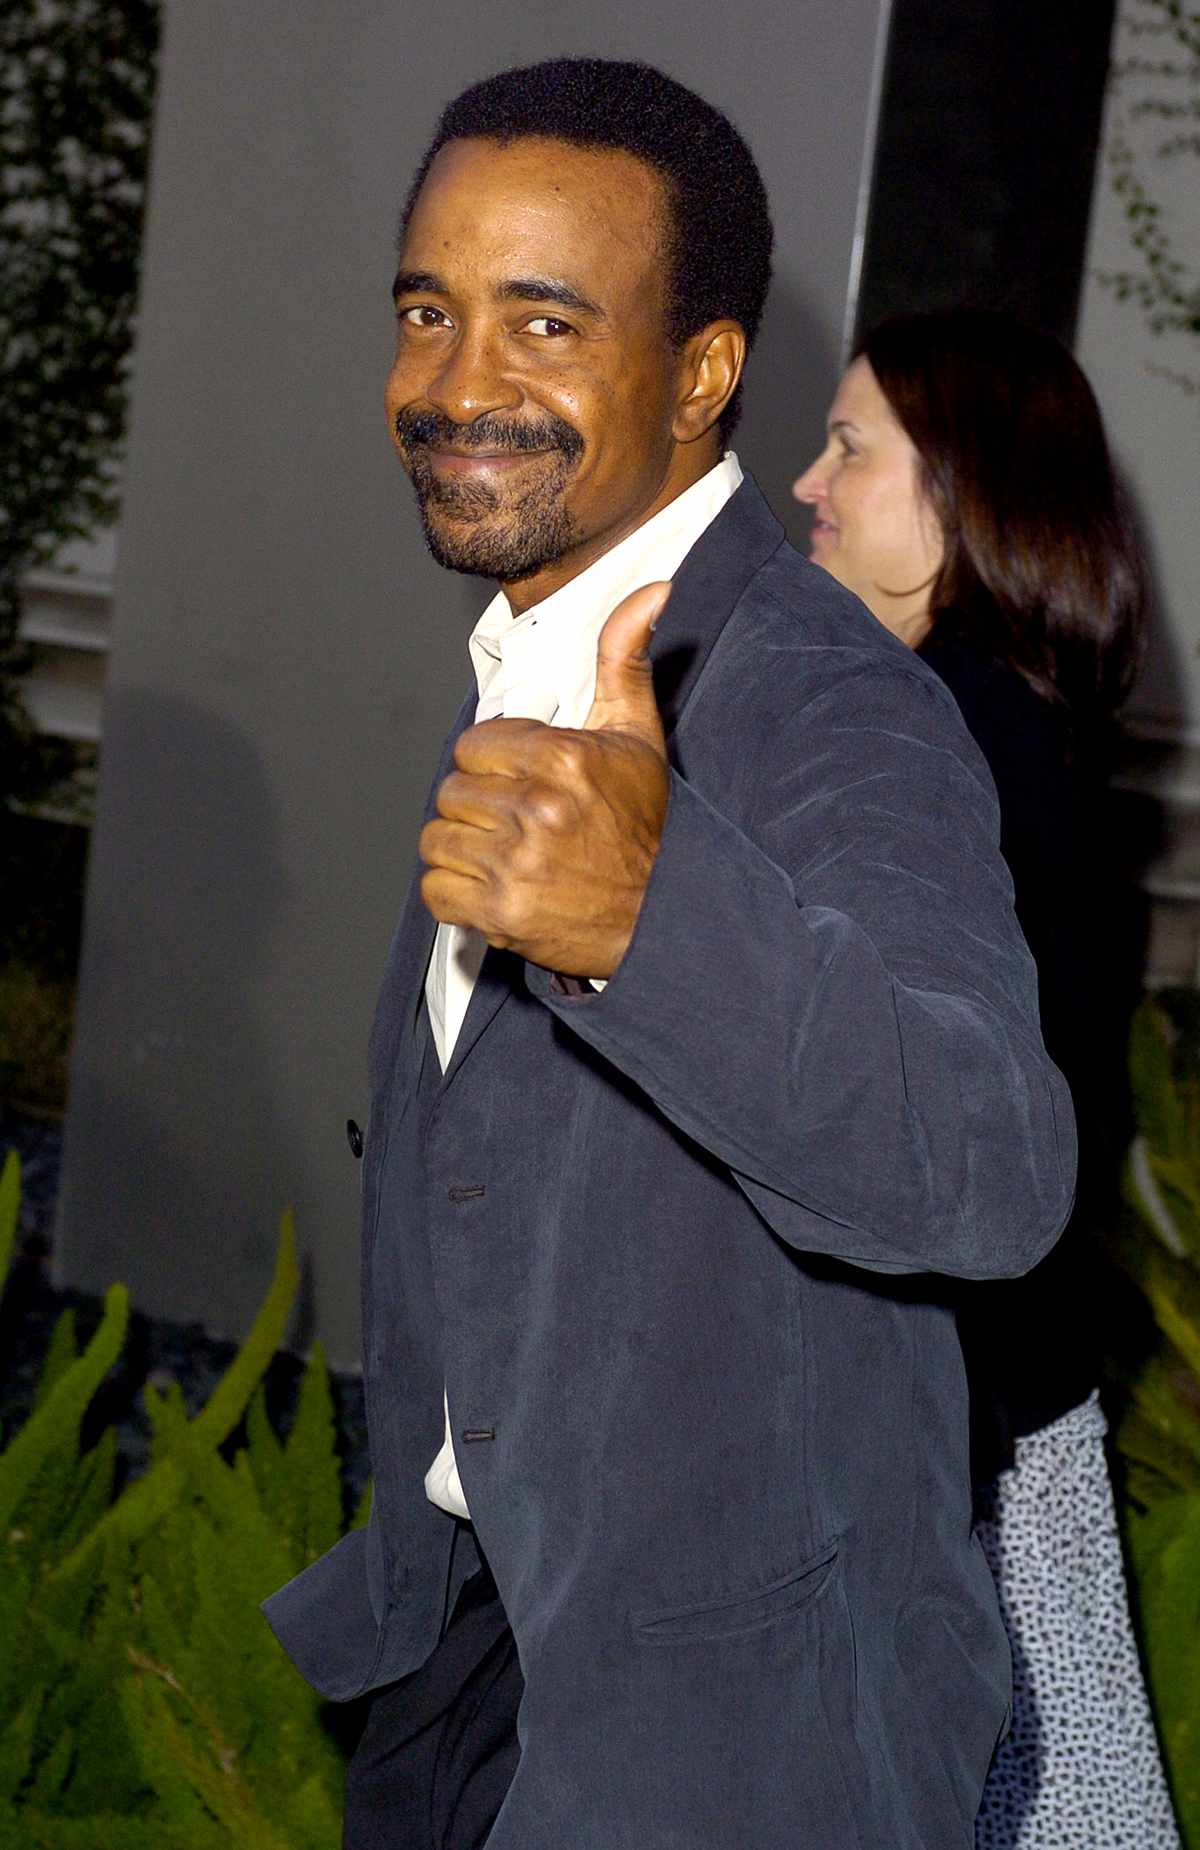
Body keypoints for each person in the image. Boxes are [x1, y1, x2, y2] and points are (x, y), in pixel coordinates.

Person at [264, 65, 1075, 1849]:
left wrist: (653, 924)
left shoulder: (827, 700)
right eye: (430, 308)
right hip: (483, 1667)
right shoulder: (539, 649)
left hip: (734, 1750)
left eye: (543, 322)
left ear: (703, 374)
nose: (458, 382)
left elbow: (991, 1167)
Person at [794, 308, 1179, 1847]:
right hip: (1006, 1411)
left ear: (959, 494)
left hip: (940, 1433)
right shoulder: (1018, 725)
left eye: (849, 448)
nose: (808, 486)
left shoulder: (930, 742)